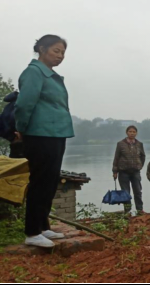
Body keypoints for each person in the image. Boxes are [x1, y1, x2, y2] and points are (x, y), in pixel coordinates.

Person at [14, 35, 74, 248]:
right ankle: (32, 232)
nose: (60, 56)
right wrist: (20, 128)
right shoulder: (34, 72)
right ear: (42, 48)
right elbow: (24, 104)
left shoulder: (50, 75)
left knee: (50, 181)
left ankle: (43, 226)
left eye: (63, 53)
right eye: (56, 51)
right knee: (40, 181)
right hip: (41, 134)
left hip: (55, 133)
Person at [112, 125, 146, 214]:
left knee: (138, 191)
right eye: (130, 131)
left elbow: (143, 156)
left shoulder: (139, 144)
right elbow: (116, 157)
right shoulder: (120, 144)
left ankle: (139, 209)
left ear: (136, 133)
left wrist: (140, 165)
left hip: (135, 171)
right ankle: (127, 210)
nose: (132, 133)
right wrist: (115, 171)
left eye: (134, 132)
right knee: (126, 192)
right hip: (123, 172)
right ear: (127, 133)